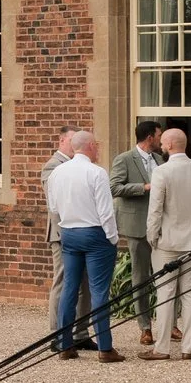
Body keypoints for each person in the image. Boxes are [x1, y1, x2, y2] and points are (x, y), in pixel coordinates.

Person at [46, 132, 125, 362]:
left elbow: (53, 207)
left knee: (69, 288)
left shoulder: (57, 172)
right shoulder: (96, 172)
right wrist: (112, 238)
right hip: (95, 233)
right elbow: (105, 211)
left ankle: (65, 345)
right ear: (90, 146)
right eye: (96, 145)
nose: (98, 149)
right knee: (99, 291)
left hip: (69, 233)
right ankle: (105, 348)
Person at [140, 126, 191, 362]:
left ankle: (162, 348)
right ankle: (188, 348)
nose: (161, 145)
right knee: (190, 293)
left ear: (170, 145)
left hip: (167, 242)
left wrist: (152, 238)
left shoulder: (161, 172)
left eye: (163, 142)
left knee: (165, 293)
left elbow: (155, 210)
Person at [109, 119, 166, 346]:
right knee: (140, 278)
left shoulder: (160, 159)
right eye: (159, 135)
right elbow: (114, 187)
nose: (161, 140)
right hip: (137, 226)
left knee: (167, 276)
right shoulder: (124, 159)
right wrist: (144, 187)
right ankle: (145, 327)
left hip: (162, 226)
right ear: (150, 137)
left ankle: (170, 324)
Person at [41, 129, 89, 341]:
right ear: (62, 141)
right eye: (72, 140)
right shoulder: (52, 166)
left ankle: (81, 333)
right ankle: (58, 334)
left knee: (84, 284)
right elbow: (55, 202)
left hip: (83, 232)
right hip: (62, 233)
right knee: (63, 281)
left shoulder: (82, 165)